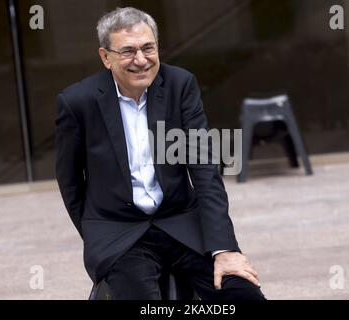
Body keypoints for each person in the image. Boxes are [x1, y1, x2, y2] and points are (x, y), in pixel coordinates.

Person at [55, 6, 265, 300]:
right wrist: (97, 235)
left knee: (242, 294)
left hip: (181, 223)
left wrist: (225, 248)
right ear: (106, 57)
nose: (140, 60)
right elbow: (70, 182)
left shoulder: (180, 85)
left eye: (148, 48)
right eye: (128, 51)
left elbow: (203, 168)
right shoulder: (77, 102)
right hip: (120, 233)